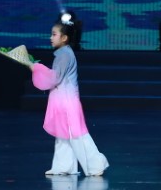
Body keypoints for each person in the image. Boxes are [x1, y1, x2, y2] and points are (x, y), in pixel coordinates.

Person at [29, 12, 109, 176]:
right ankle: (63, 167)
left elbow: (55, 78)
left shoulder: (65, 55)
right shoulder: (62, 54)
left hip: (67, 102)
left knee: (77, 135)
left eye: (54, 34)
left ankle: (96, 165)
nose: (51, 38)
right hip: (62, 101)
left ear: (64, 38)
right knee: (63, 135)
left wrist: (35, 68)